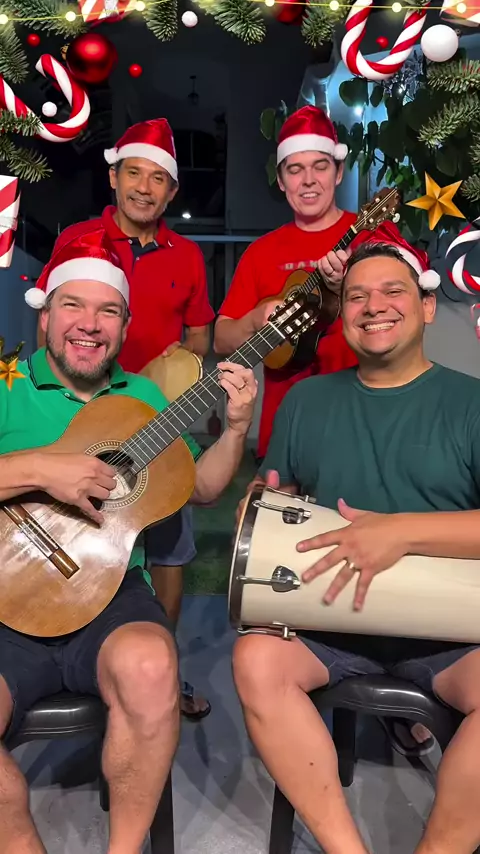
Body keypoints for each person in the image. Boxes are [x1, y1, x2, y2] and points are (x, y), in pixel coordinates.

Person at [4, 233, 256, 854]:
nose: (89, 325)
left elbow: (201, 488)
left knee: (151, 666)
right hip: (8, 590)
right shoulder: (5, 385)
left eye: (108, 311)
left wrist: (235, 429)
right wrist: (39, 469)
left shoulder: (143, 398)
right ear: (45, 316)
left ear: (123, 326)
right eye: (73, 305)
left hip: (112, 593)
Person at [232, 232, 480, 854]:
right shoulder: (307, 400)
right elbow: (276, 498)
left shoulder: (470, 402)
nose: (374, 307)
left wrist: (398, 532)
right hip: (329, 620)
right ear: (340, 314)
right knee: (256, 661)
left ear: (427, 306)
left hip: (454, 629)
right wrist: (257, 510)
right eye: (356, 296)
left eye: (393, 291)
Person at [38, 118, 215, 719]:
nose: (144, 187)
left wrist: (180, 371)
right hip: (85, 415)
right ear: (113, 177)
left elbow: (199, 336)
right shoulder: (79, 238)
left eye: (158, 179)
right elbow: (55, 318)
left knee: (169, 546)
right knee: (81, 530)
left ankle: (161, 669)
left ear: (172, 192)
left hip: (155, 419)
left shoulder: (187, 255)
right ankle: (61, 646)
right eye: (134, 173)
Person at [214, 105, 402, 463]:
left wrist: (348, 288)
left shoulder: (373, 236)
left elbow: (403, 321)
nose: (309, 180)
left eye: (320, 166)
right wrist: (257, 318)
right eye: (295, 169)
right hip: (283, 434)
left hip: (364, 430)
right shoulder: (260, 252)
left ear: (339, 172)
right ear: (281, 180)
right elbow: (221, 340)